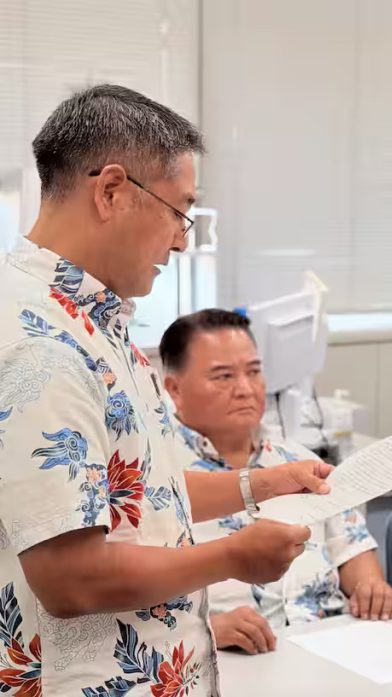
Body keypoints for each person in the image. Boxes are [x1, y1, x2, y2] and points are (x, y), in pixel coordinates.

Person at [0, 85, 330, 695]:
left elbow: (137, 495)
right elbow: (71, 578)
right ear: (111, 192)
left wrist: (260, 484)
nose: (182, 240)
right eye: (180, 212)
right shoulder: (40, 345)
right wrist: (233, 557)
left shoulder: (94, 322)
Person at [160, 309, 392, 655]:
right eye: (224, 376)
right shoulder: (155, 474)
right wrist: (203, 630)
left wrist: (370, 587)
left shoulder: (297, 461)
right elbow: (124, 595)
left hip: (330, 643)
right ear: (175, 389)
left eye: (254, 372)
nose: (245, 389)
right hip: (228, 659)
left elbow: (352, 546)